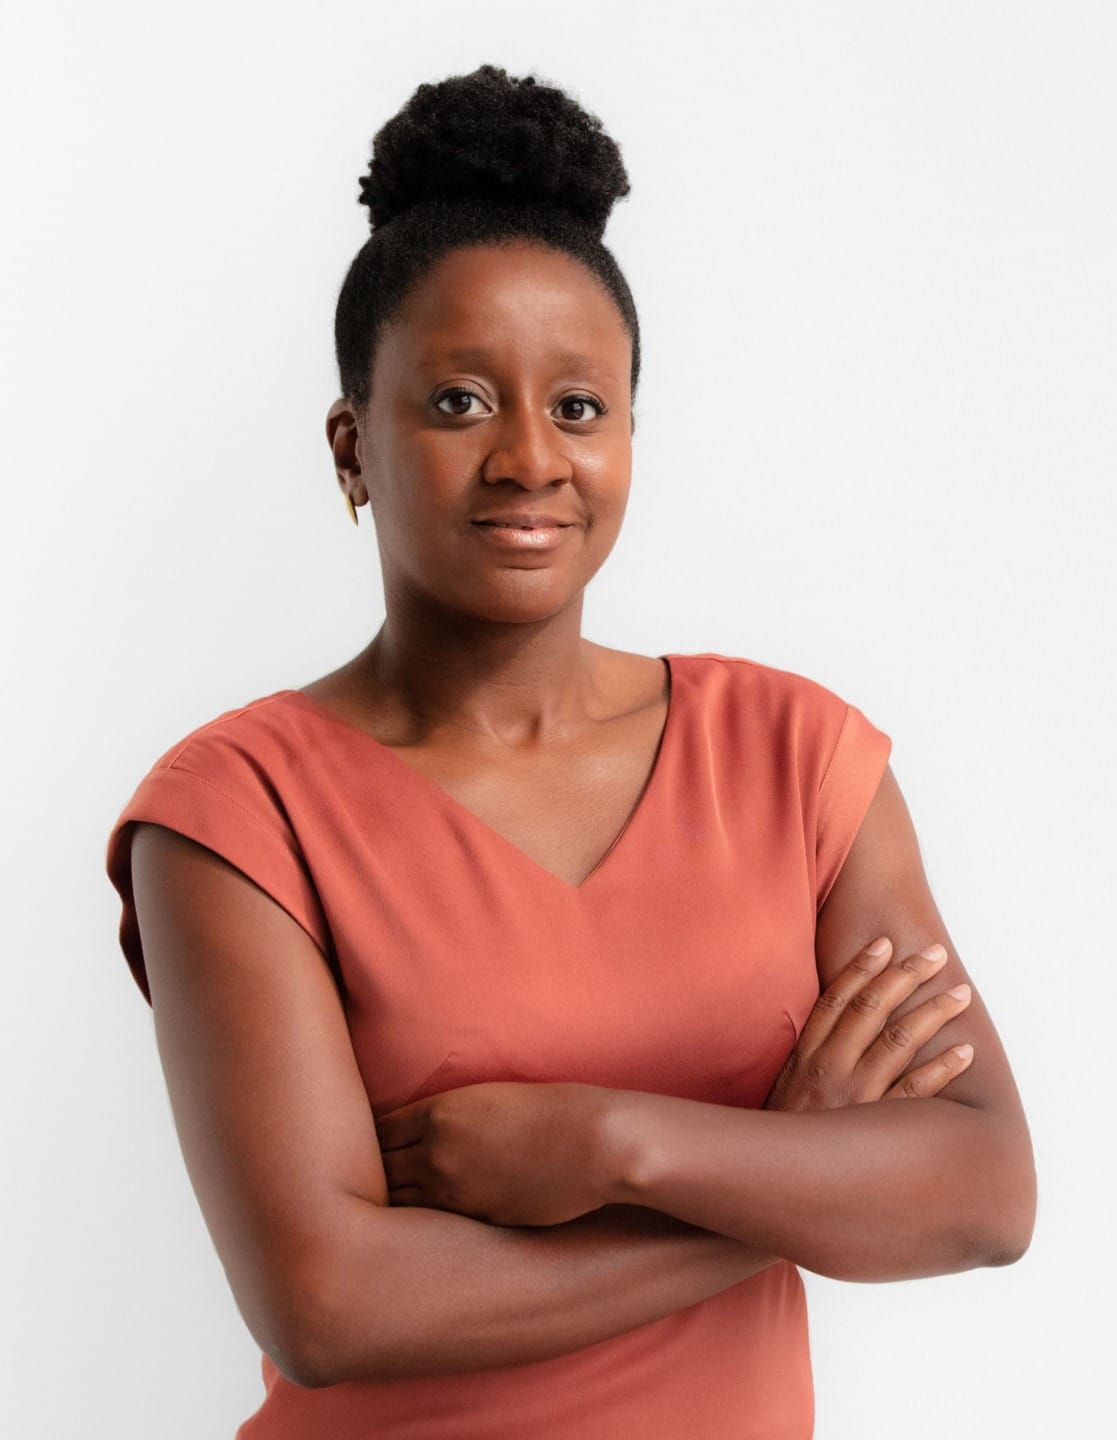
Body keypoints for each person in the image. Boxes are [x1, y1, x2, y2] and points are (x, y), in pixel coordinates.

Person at [104, 63, 1035, 1440]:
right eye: (459, 402)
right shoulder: (237, 811)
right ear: (353, 447)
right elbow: (327, 1307)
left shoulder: (794, 758)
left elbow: (981, 1193)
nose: (530, 458)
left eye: (580, 408)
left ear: (630, 442)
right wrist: (785, 1173)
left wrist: (612, 1144)